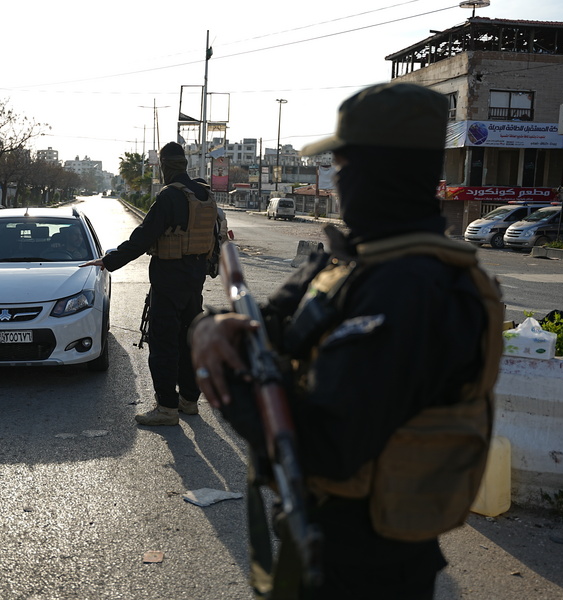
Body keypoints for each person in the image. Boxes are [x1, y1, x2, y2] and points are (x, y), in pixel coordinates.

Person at [190, 82, 503, 598]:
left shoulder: (416, 290)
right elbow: (268, 323)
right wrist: (211, 326)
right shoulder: (351, 261)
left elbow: (328, 450)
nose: (337, 179)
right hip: (317, 532)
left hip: (372, 565)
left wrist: (223, 378)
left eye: (342, 165)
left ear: (368, 170)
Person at [82, 142, 218, 426]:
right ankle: (189, 400)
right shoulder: (204, 193)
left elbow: (143, 238)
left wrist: (109, 261)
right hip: (195, 279)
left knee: (164, 342)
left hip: (169, 280)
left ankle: (167, 408)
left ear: (165, 167)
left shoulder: (170, 197)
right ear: (185, 165)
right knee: (189, 339)